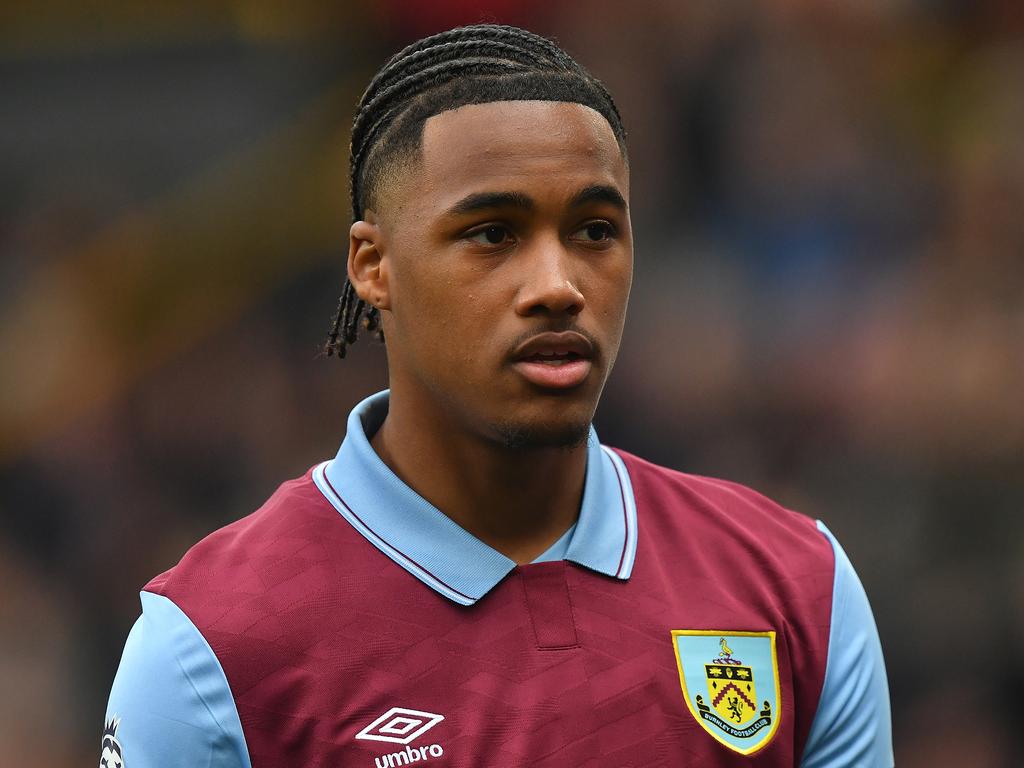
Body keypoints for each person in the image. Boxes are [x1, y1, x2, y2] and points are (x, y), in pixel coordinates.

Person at [103, 24, 892, 767]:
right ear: (373, 266)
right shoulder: (211, 649)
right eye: (492, 234)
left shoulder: (796, 587)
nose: (558, 287)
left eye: (593, 231)